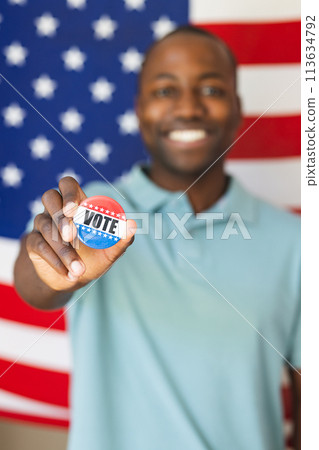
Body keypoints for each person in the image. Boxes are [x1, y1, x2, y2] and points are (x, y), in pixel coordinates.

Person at [14, 26, 301, 450]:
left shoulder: (295, 242)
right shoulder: (86, 216)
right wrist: (56, 271)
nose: (188, 108)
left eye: (211, 89)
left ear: (238, 109)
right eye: (166, 91)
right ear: (140, 108)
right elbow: (34, 285)